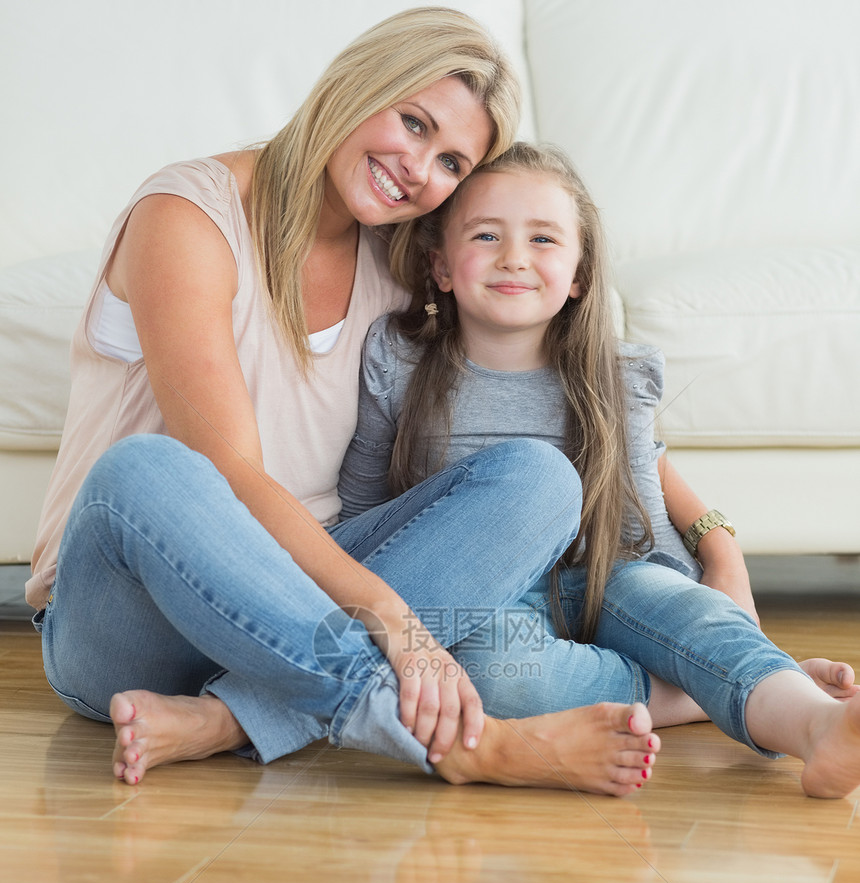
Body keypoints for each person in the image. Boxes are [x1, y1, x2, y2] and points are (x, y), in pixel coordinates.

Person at [25, 10, 660, 799]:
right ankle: (453, 744)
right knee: (145, 471)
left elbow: (547, 367)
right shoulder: (187, 217)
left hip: (312, 600)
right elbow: (226, 472)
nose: (417, 166)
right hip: (137, 621)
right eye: (413, 121)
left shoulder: (397, 260)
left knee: (540, 480)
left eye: (451, 160)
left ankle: (233, 717)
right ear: (361, 84)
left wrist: (706, 531)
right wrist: (397, 624)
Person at [338, 141, 860, 798]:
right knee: (496, 679)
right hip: (493, 598)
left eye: (544, 239)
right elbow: (364, 517)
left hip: (615, 573)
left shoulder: (619, 374)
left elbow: (648, 526)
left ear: (581, 273)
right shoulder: (399, 363)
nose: (515, 257)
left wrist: (704, 594)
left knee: (698, 623)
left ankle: (815, 725)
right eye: (487, 235)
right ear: (440, 266)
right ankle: (719, 689)